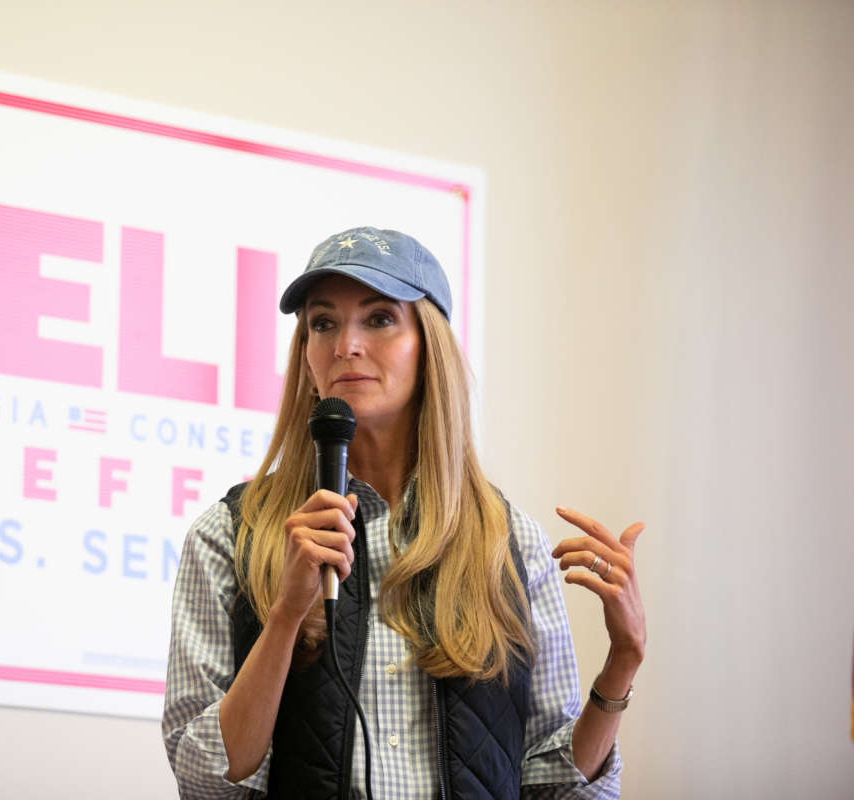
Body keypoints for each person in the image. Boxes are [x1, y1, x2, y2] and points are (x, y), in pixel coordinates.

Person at [162, 226, 646, 799]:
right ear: (306, 356)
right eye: (323, 323)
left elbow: (560, 790)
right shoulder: (230, 535)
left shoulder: (509, 541)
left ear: (429, 347)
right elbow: (206, 781)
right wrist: (288, 616)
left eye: (379, 318)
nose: (346, 345)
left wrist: (622, 663)